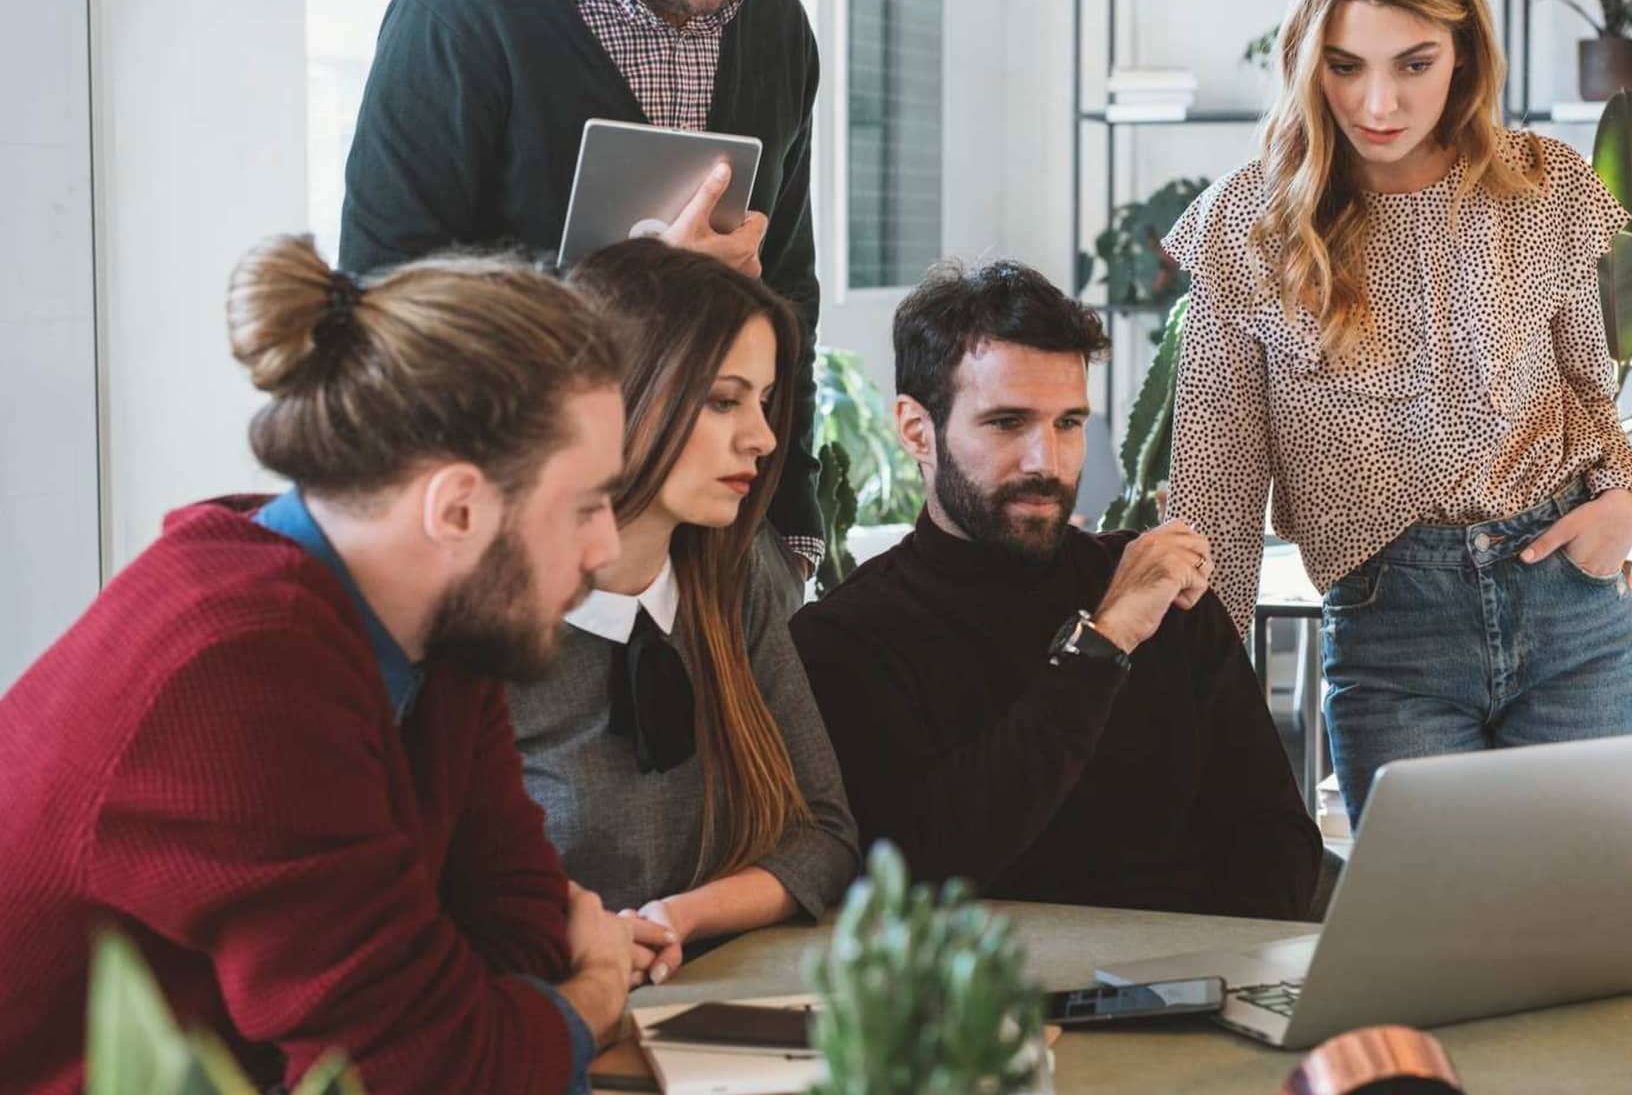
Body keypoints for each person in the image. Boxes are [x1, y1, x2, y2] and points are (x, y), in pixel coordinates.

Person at [0, 238, 677, 1094]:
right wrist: (592, 999)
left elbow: (514, 929)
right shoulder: (238, 671)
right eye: (583, 506)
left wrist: (520, 1001)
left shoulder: (440, 630)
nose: (605, 546)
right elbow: (428, 1073)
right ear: (458, 508)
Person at [1161, 0, 1632, 826]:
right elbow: (1215, 489)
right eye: (1345, 66)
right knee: (1440, 948)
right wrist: (1199, 704)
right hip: (1396, 632)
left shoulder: (1543, 186)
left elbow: (1593, 396)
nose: (1376, 104)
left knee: (1581, 945)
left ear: (1462, 49)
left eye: (1413, 64)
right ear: (1308, 59)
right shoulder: (1248, 224)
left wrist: (1626, 501)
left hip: (1573, 610)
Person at [337, 0, 825, 585]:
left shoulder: (779, 28)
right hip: (514, 539)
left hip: (709, 548)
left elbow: (791, 288)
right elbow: (383, 311)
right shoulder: (457, 17)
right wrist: (635, 302)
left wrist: (790, 521)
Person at [792, 260, 1322, 920]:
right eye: (1008, 423)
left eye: (1068, 423)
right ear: (915, 430)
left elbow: (1283, 845)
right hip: (984, 1009)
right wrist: (1101, 644)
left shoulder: (1164, 595)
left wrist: (1175, 977)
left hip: (1192, 991)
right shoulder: (844, 639)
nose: (1047, 461)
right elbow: (914, 872)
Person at [509, 243, 856, 986]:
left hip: (722, 1004)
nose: (761, 438)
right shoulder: (493, 622)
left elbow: (824, 835)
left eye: (764, 402)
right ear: (617, 397)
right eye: (724, 400)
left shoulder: (738, 574)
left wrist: (678, 918)